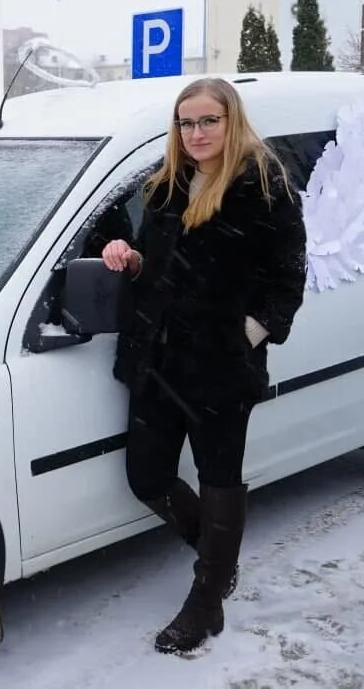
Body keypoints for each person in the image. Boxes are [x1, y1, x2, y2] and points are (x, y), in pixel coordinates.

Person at [100, 77, 307, 656]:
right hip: (158, 359)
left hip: (219, 366)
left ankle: (206, 597)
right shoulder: (165, 185)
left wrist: (244, 335)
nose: (196, 133)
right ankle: (220, 560)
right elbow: (158, 268)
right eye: (186, 123)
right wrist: (131, 258)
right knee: (147, 476)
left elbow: (289, 279)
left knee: (219, 478)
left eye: (208, 121)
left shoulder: (264, 188)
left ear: (230, 120)